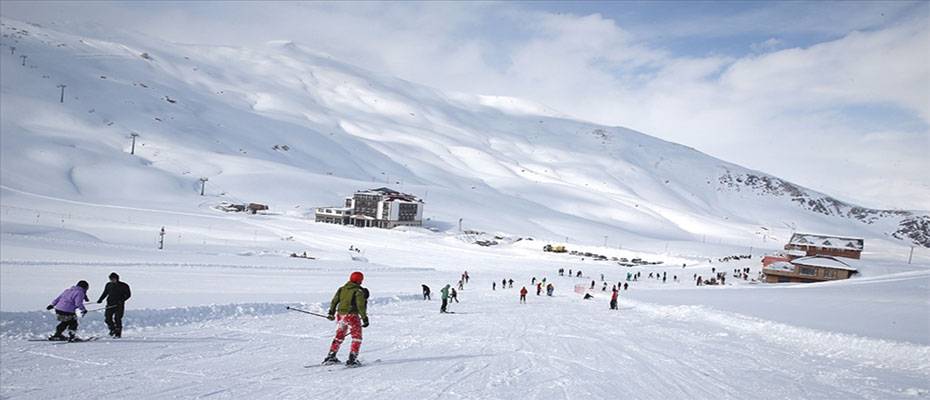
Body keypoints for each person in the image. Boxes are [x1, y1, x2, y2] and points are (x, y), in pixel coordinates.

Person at [322, 272, 369, 367]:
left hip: (341, 315)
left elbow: (334, 301)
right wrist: (365, 319)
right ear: (359, 280)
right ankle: (352, 359)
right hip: (352, 316)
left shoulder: (342, 289)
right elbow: (360, 306)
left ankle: (331, 356)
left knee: (339, 335)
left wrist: (331, 313)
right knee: (357, 337)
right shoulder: (358, 291)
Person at [96, 272, 131, 338]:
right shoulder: (108, 285)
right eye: (111, 279)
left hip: (119, 305)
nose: (112, 280)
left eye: (113, 279)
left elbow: (128, 295)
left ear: (117, 278)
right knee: (107, 319)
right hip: (110, 304)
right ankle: (112, 330)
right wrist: (100, 299)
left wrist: (122, 300)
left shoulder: (124, 285)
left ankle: (118, 333)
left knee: (117, 319)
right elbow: (105, 293)